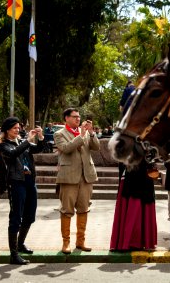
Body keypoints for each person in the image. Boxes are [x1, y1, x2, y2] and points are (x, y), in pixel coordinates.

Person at [0, 117, 44, 265]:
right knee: (16, 217)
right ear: (7, 130)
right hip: (16, 183)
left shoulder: (21, 142)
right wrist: (26, 141)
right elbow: (13, 154)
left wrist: (40, 137)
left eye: (19, 128)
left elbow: (37, 149)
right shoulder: (4, 145)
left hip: (30, 182)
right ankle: (14, 254)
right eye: (14, 128)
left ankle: (20, 244)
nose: (17, 130)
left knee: (30, 216)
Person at [54, 108, 100, 254]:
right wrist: (81, 135)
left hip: (86, 176)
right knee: (67, 210)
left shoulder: (86, 133)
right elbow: (66, 149)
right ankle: (65, 242)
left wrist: (91, 133)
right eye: (74, 117)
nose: (78, 119)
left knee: (84, 209)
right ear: (66, 118)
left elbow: (96, 147)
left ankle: (81, 241)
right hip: (68, 177)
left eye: (79, 117)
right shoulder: (59, 134)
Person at [110, 160, 157, 251]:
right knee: (132, 210)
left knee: (141, 209)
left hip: (145, 177)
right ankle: (127, 242)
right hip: (131, 177)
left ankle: (141, 242)